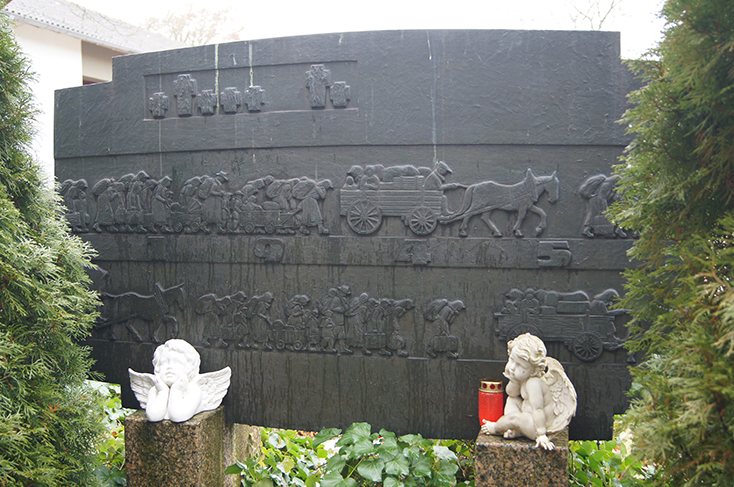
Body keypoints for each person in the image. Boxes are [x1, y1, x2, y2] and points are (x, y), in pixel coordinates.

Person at [480, 333, 576, 450]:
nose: (513, 367)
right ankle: (517, 431)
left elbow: (538, 409)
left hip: (538, 425)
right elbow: (511, 393)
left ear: (533, 370)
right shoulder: (524, 378)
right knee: (512, 400)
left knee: (516, 418)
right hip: (528, 419)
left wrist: (541, 434)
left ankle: (495, 428)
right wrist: (514, 379)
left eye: (520, 365)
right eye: (511, 360)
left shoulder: (533, 383)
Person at [144, 339, 204, 422]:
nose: (169, 367)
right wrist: (162, 392)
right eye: (164, 363)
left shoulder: (193, 389)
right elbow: (153, 416)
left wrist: (176, 390)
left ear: (188, 368)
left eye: (177, 363)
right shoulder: (155, 390)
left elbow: (178, 416)